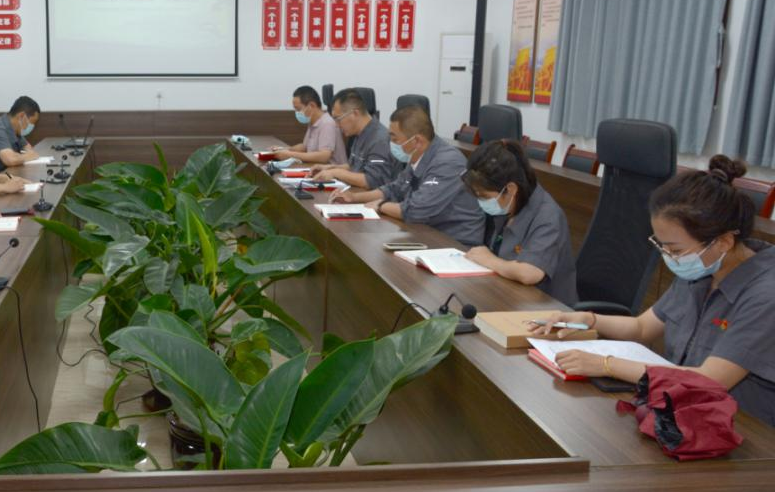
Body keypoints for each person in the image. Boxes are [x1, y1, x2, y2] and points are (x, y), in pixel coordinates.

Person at [533, 156, 775, 425]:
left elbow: (709, 380)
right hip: (680, 409)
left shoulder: (765, 294)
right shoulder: (703, 266)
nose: (669, 257)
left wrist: (606, 365)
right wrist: (588, 319)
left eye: (676, 250)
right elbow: (642, 328)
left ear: (724, 242)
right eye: (662, 246)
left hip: (743, 429)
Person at [330, 106, 484, 247]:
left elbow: (417, 210)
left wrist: (381, 205)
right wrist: (355, 198)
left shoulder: (448, 162)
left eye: (395, 139)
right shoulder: (418, 154)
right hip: (425, 232)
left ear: (417, 141)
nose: (391, 143)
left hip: (456, 244)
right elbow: (395, 189)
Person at [460, 140, 577, 303]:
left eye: (485, 197)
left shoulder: (547, 216)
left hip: (545, 308)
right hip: (506, 294)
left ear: (510, 189)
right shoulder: (509, 203)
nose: (481, 202)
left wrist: (490, 260)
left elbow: (530, 273)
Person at [309, 88, 399, 189]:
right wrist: (330, 168)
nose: (337, 125)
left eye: (338, 119)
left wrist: (336, 172)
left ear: (355, 114)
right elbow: (354, 167)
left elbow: (372, 180)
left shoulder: (379, 140)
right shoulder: (359, 134)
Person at [270, 85, 345, 165]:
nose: (297, 113)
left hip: (332, 170)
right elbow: (305, 147)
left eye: (298, 109)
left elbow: (324, 156)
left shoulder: (327, 123)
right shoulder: (313, 122)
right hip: (316, 167)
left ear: (311, 105)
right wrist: (285, 150)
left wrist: (290, 154)